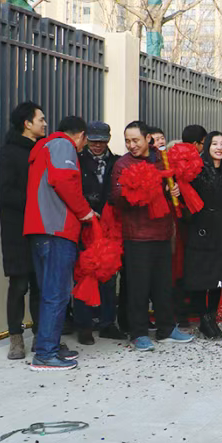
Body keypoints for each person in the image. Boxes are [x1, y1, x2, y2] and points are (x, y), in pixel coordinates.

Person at [110, 120, 195, 351]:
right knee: (138, 287)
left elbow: (171, 187)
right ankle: (138, 333)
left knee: (162, 285)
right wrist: (137, 191)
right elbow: (116, 197)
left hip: (162, 232)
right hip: (136, 235)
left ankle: (166, 328)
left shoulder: (162, 159)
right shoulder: (122, 164)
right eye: (127, 140)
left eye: (135, 140)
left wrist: (172, 190)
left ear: (147, 139)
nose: (131, 145)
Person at [23, 116, 95, 371]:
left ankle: (47, 347)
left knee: (49, 293)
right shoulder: (63, 145)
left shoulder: (46, 146)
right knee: (57, 294)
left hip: (42, 230)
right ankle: (45, 354)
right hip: (56, 230)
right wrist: (85, 212)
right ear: (81, 136)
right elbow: (64, 181)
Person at [0, 101, 46, 360]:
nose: (45, 123)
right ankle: (15, 338)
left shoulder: (43, 149)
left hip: (41, 228)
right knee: (19, 285)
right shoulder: (10, 153)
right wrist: (35, 203)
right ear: (27, 124)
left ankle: (41, 334)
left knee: (40, 284)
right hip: (17, 231)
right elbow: (6, 194)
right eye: (41, 119)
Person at [185, 131, 222, 340]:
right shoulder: (196, 170)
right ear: (207, 146)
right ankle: (204, 319)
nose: (219, 147)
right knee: (202, 278)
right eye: (214, 143)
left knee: (219, 278)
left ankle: (212, 317)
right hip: (201, 228)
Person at [74, 121, 123, 345]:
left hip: (109, 225)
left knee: (109, 276)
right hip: (84, 224)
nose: (97, 145)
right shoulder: (78, 160)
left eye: (101, 141)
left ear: (108, 141)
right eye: (93, 141)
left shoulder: (116, 162)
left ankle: (107, 323)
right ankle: (83, 325)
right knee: (85, 273)